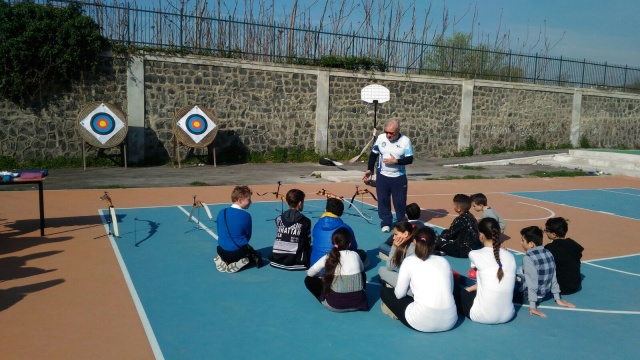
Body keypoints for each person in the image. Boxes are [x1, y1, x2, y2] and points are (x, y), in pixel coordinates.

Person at [379, 226, 458, 332]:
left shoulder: (409, 261)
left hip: (421, 322)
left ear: (414, 242)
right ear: (434, 245)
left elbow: (399, 294)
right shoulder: (444, 261)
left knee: (386, 292)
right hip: (451, 321)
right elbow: (450, 290)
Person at [453, 218, 516, 324]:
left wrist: (467, 290)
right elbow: (491, 277)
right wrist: (470, 289)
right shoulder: (510, 256)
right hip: (508, 315)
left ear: (481, 236)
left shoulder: (474, 254)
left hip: (481, 316)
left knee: (454, 289)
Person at [362, 119, 414, 233]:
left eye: (391, 133)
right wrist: (369, 170)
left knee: (400, 202)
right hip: (382, 176)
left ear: (398, 131)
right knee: (383, 200)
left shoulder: (405, 141)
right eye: (386, 132)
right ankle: (386, 222)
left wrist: (396, 161)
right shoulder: (381, 138)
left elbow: (410, 159)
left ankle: (401, 222)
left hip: (398, 177)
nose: (388, 135)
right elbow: (373, 154)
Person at [516, 226, 576, 318]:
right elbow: (553, 276)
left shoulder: (528, 258)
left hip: (528, 297)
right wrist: (557, 298)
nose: (521, 243)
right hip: (543, 294)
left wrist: (532, 306)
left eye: (523, 241)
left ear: (531, 244)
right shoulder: (548, 253)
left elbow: (532, 282)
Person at [304, 227, 369, 312]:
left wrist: (321, 277)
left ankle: (325, 299)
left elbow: (310, 273)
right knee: (362, 273)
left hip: (335, 306)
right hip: (358, 303)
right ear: (349, 244)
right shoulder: (355, 255)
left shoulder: (329, 257)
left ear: (333, 243)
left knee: (309, 280)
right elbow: (362, 270)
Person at [213, 185, 262, 273]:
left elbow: (219, 231)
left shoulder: (221, 212)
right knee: (253, 254)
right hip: (237, 253)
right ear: (240, 200)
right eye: (248, 199)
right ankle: (237, 262)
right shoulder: (246, 216)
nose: (251, 202)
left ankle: (224, 260)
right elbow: (247, 236)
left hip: (221, 250)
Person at [310, 198, 367, 267]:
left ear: (326, 210)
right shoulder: (345, 228)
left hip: (315, 265)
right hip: (335, 269)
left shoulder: (317, 225)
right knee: (361, 254)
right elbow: (353, 247)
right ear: (341, 213)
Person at [269, 189, 312, 270]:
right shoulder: (305, 221)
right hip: (297, 262)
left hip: (276, 259)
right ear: (300, 203)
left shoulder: (278, 219)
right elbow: (307, 243)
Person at [544, 217, 583, 294]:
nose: (545, 232)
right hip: (576, 285)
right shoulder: (574, 245)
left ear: (554, 234)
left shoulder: (550, 248)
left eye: (546, 230)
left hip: (561, 287)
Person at [435, 194, 481, 258]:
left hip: (463, 250)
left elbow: (450, 234)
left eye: (454, 205)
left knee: (439, 241)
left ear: (458, 209)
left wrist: (440, 237)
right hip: (475, 247)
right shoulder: (471, 217)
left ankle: (438, 250)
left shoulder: (459, 220)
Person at [378, 221, 416, 290]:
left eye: (395, 234)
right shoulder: (416, 244)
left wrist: (394, 247)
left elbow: (389, 267)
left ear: (405, 234)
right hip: (420, 284)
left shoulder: (406, 249)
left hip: (411, 288)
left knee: (381, 270)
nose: (394, 238)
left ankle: (391, 285)